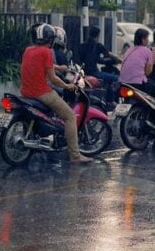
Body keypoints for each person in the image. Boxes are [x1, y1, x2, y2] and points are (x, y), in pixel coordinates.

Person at [21, 23, 89, 163]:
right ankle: (75, 155)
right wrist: (67, 86)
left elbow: (44, 66)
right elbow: (53, 78)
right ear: (51, 39)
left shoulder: (28, 50)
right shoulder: (46, 52)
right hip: (41, 92)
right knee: (70, 116)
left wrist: (61, 68)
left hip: (25, 92)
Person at [118, 28, 155, 121]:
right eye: (147, 38)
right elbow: (148, 72)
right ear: (142, 39)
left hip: (123, 82)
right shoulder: (148, 51)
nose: (148, 41)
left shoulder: (129, 50)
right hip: (138, 83)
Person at [79, 26, 120, 102]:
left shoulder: (82, 45)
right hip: (94, 72)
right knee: (116, 78)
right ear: (98, 35)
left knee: (107, 78)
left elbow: (93, 59)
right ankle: (111, 101)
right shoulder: (98, 45)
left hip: (84, 72)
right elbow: (109, 55)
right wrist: (120, 60)